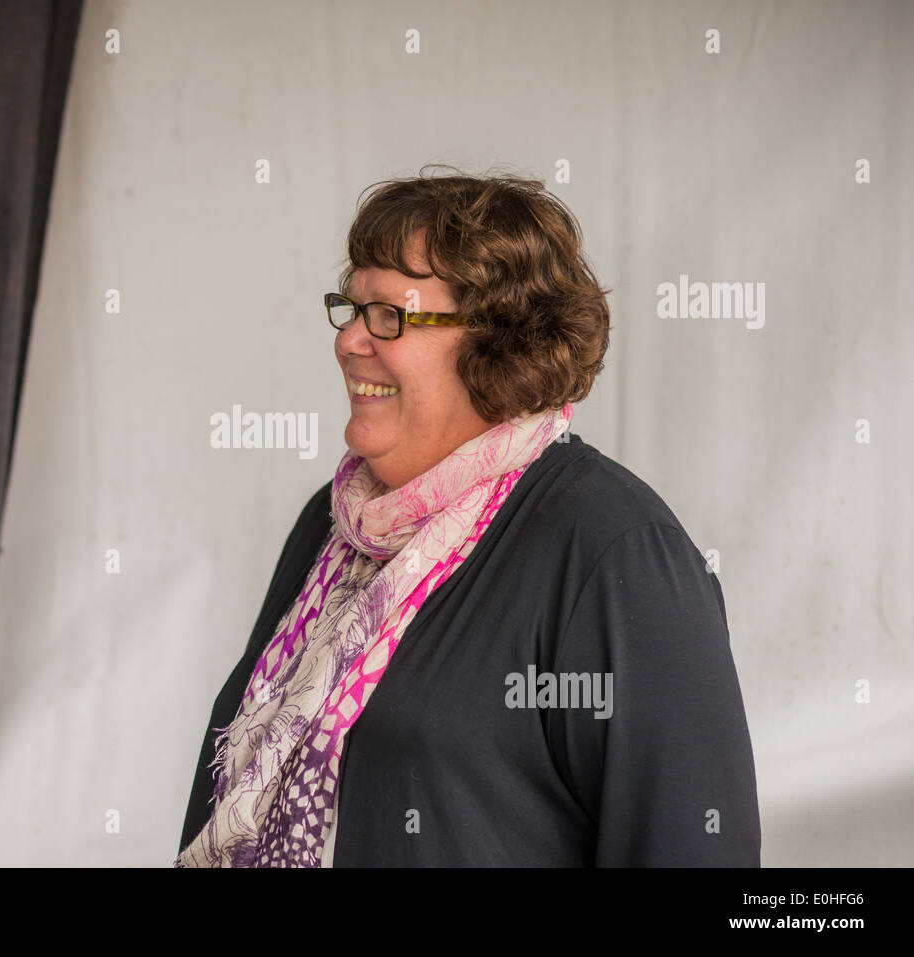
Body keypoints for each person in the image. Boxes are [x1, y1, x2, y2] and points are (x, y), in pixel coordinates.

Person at [176, 169, 760, 867]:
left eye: (390, 314)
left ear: (498, 342)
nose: (349, 341)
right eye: (350, 306)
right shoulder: (330, 530)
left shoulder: (615, 553)